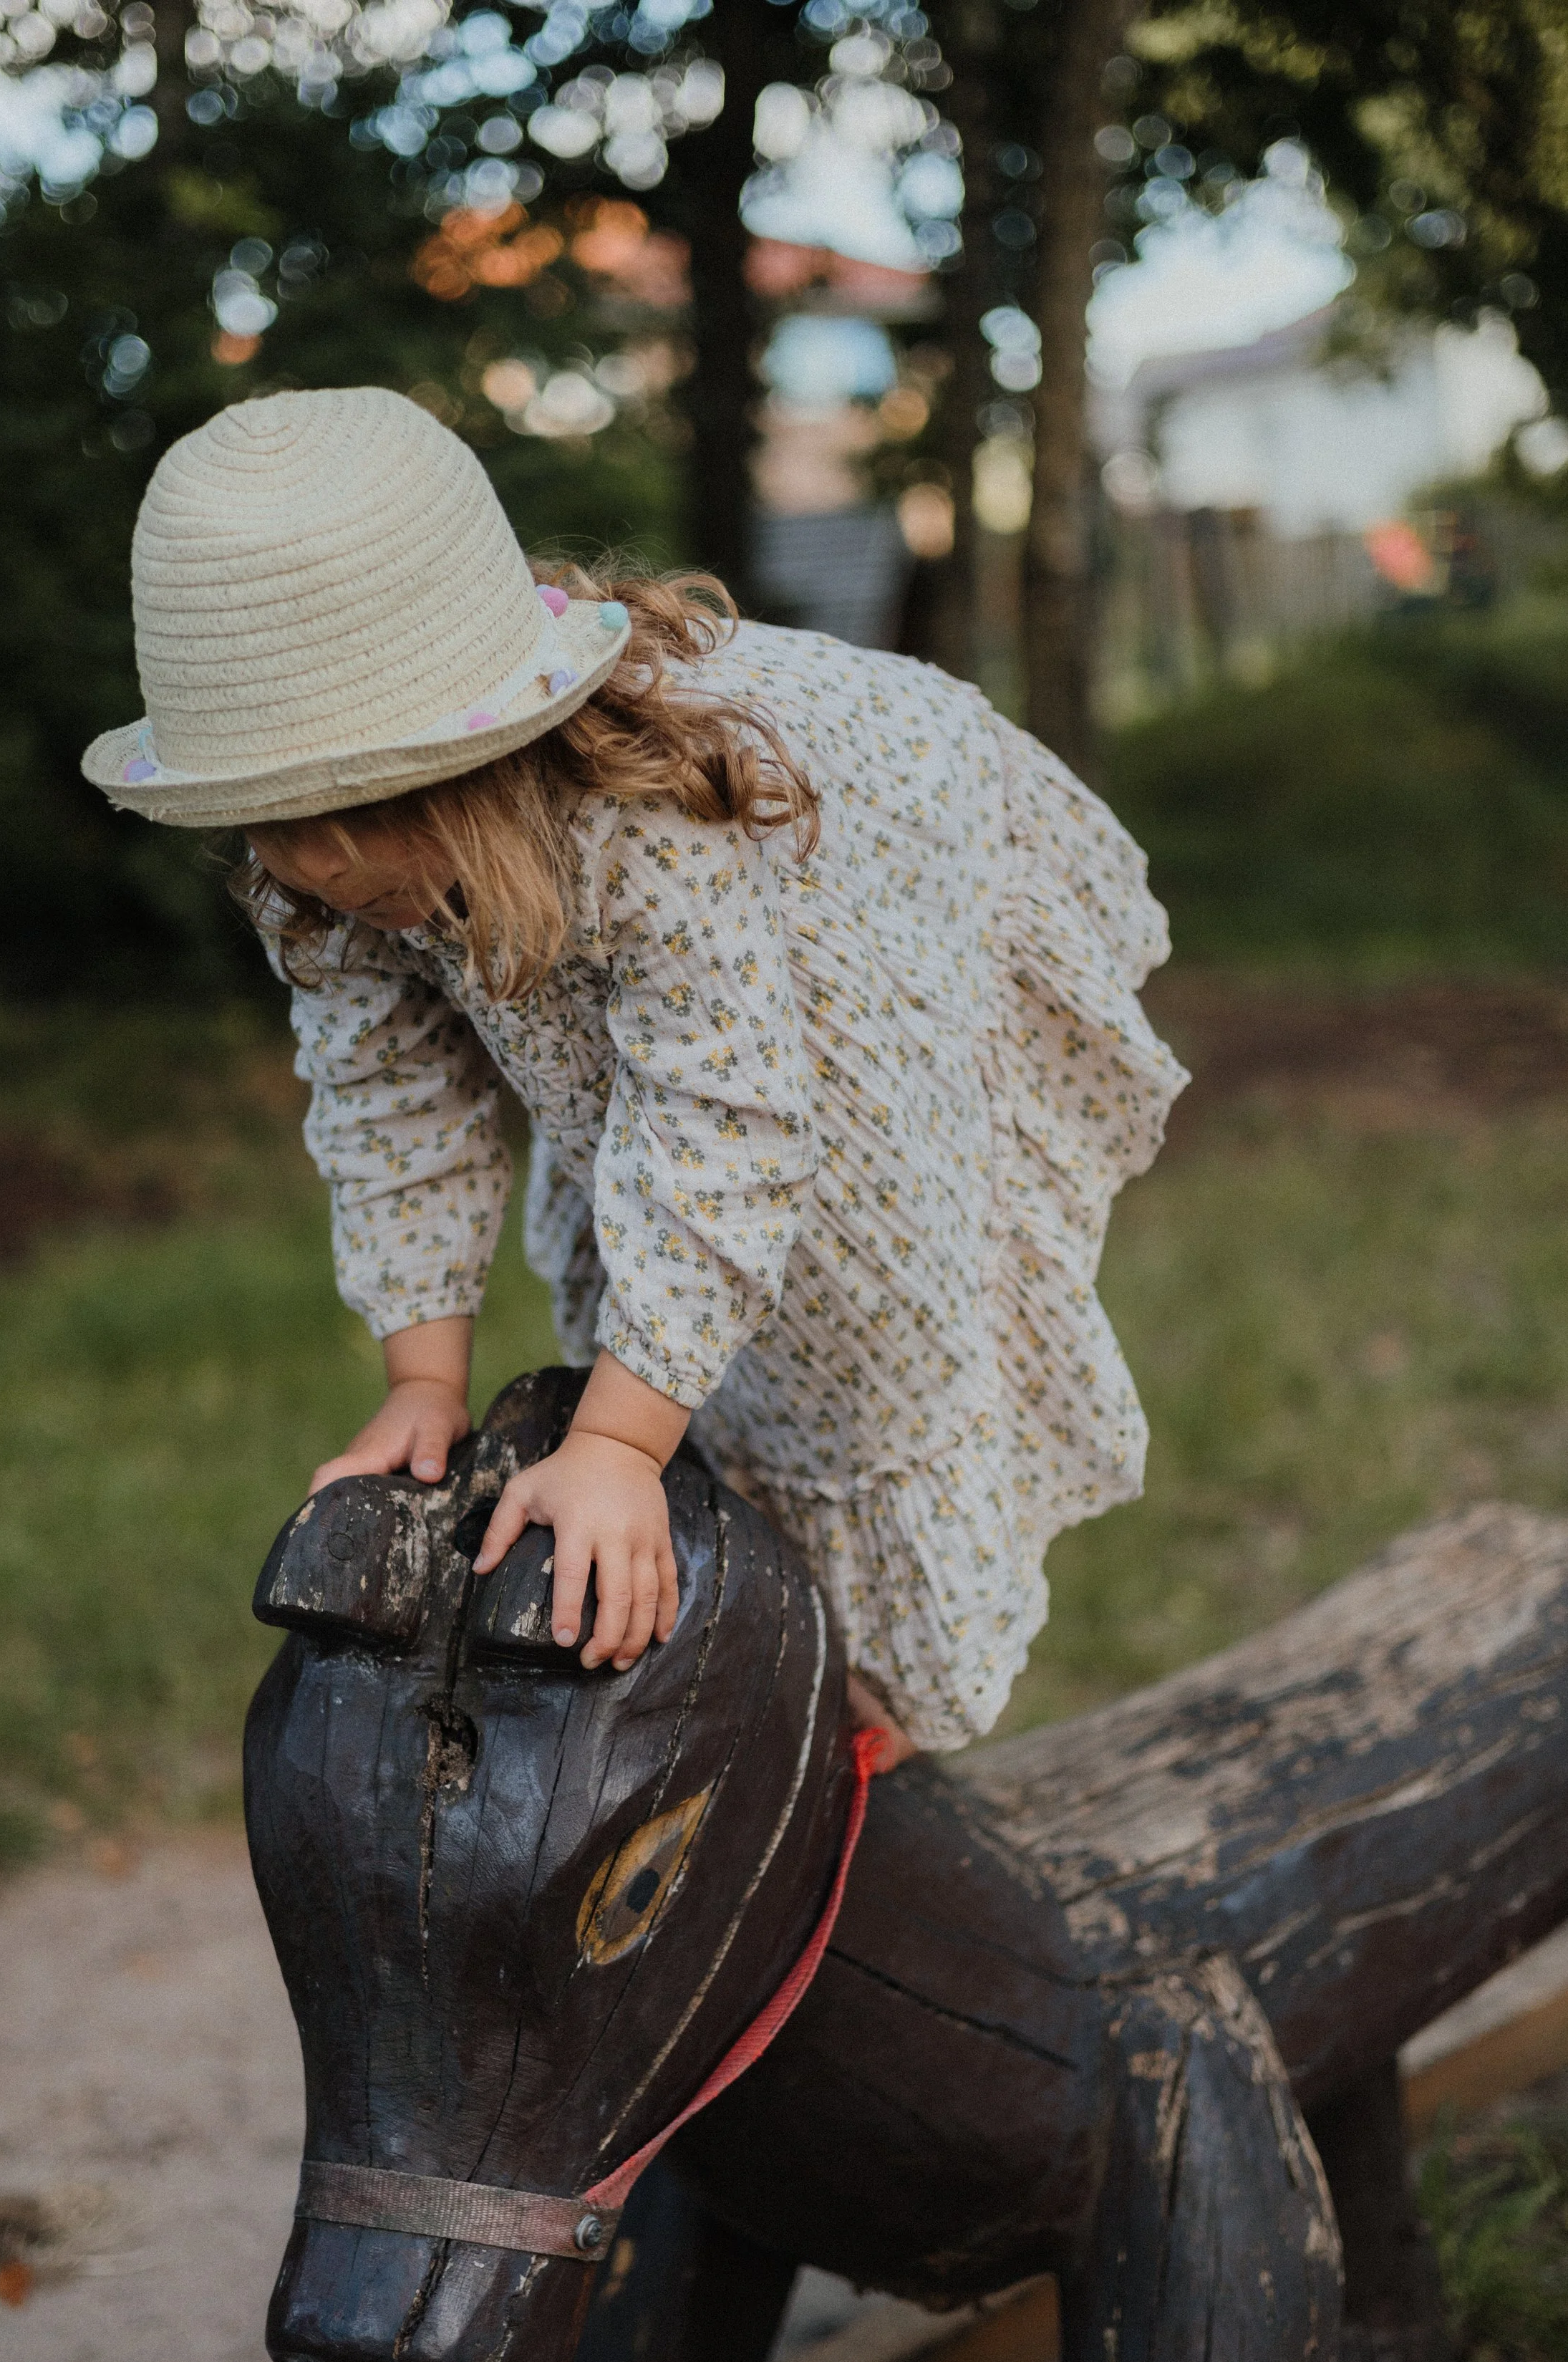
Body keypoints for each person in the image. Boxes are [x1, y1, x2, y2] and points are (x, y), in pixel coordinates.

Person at [83, 387, 1185, 1767]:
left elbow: (721, 1127)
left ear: (476, 757)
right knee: (652, 1295)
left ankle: (869, 1691)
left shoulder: (645, 819)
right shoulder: (318, 869)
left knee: (849, 1320)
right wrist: (424, 1377)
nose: (314, 864)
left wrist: (614, 1446)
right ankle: (724, 1561)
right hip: (662, 1013)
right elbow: (391, 1102)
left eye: (359, 812)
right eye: (275, 819)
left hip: (845, 933)